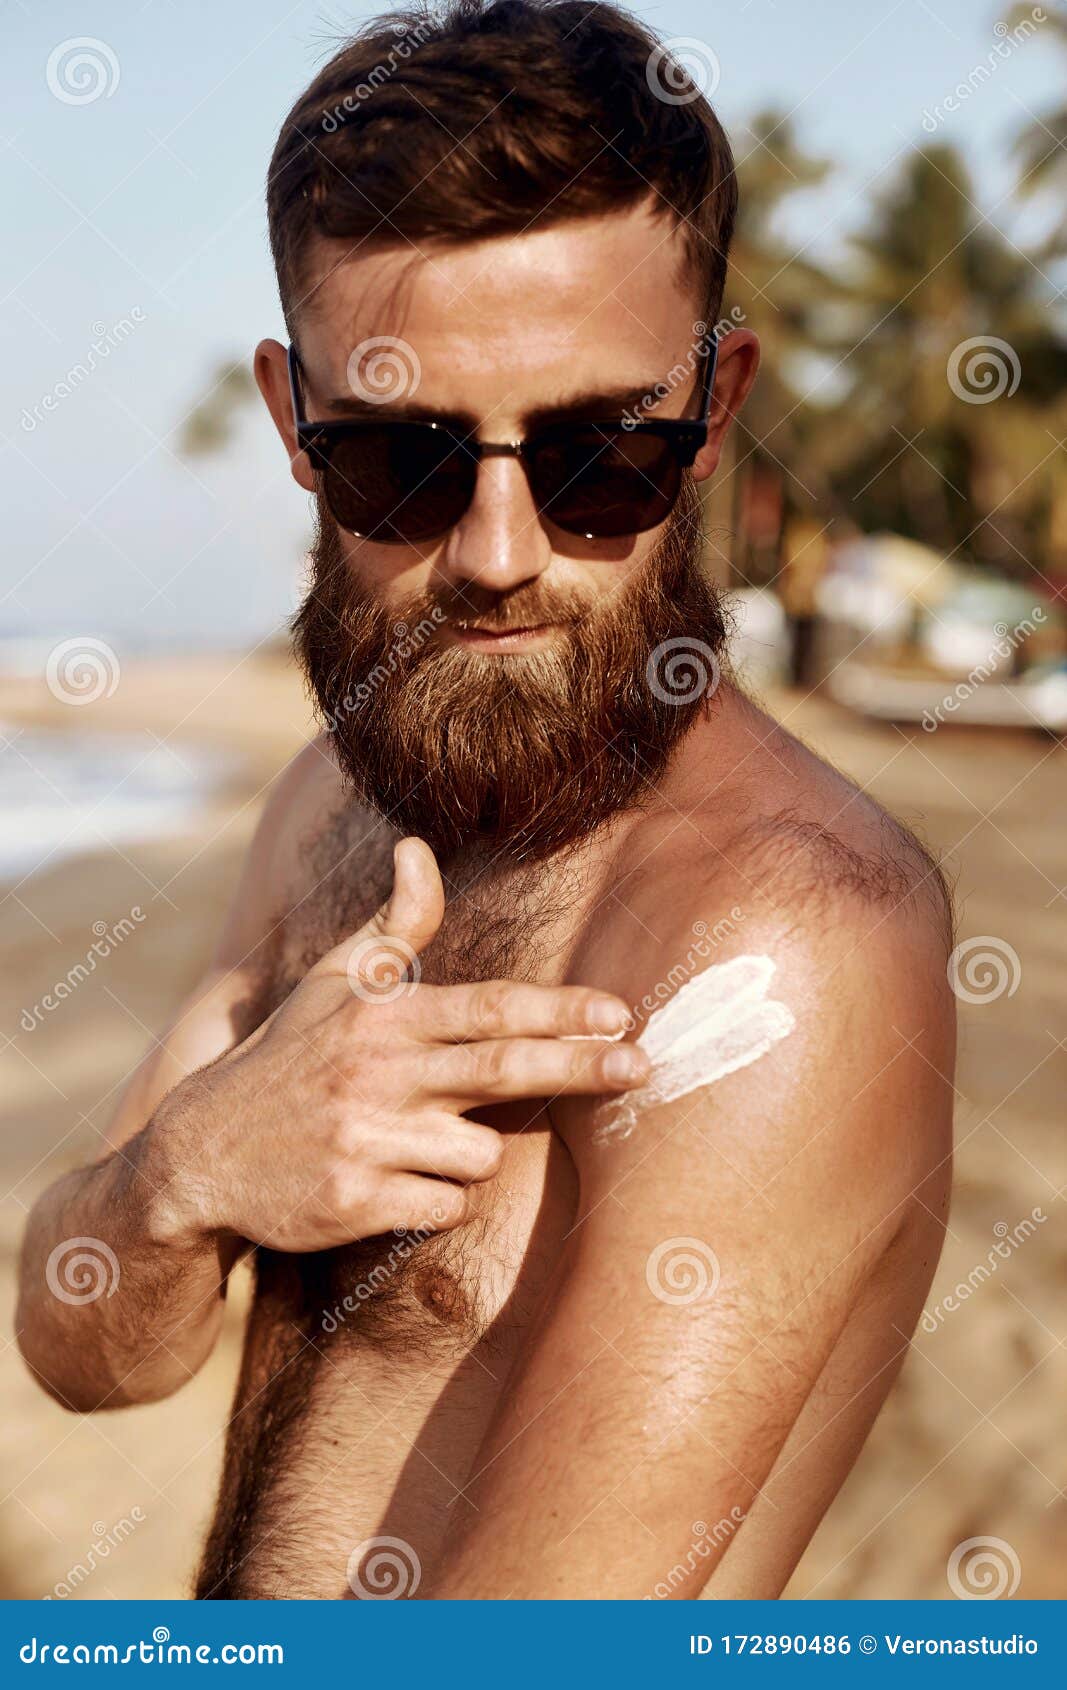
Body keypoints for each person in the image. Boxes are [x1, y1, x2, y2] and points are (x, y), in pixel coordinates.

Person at [16, 0, 954, 1601]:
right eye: (406, 460)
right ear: (295, 426)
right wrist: (178, 1177)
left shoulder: (786, 943)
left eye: (600, 457)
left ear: (714, 410)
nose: (501, 549)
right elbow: (81, 1344)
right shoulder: (337, 801)